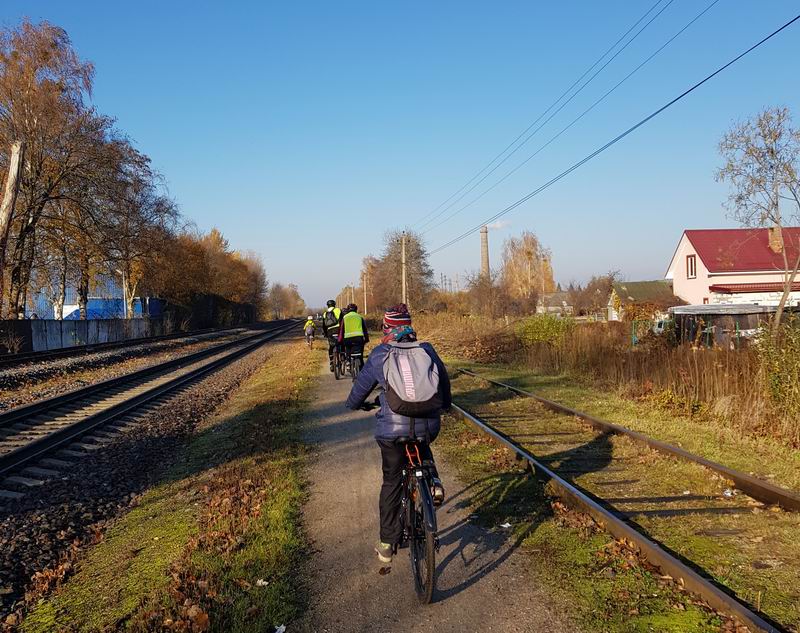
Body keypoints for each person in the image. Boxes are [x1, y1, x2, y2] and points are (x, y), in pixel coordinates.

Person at [345, 304, 450, 564]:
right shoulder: (427, 351)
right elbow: (444, 387)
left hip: (392, 433)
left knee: (392, 481)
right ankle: (433, 482)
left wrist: (357, 405)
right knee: (423, 446)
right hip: (428, 426)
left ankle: (386, 544)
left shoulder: (381, 354)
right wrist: (443, 407)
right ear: (410, 326)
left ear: (387, 328)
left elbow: (358, 392)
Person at [337, 303, 369, 371]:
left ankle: (348, 361)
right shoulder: (360, 317)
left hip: (348, 339)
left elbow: (341, 330)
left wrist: (340, 340)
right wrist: (366, 339)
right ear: (356, 310)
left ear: (348, 310)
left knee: (348, 349)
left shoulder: (345, 317)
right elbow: (365, 330)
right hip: (359, 339)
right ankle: (361, 369)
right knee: (360, 355)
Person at [321, 299, 342, 371]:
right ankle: (342, 356)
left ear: (327, 305)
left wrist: (325, 333)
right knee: (340, 343)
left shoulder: (325, 313)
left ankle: (331, 362)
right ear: (334, 304)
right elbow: (342, 321)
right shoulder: (338, 310)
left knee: (331, 346)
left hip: (329, 331)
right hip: (338, 330)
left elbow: (324, 325)